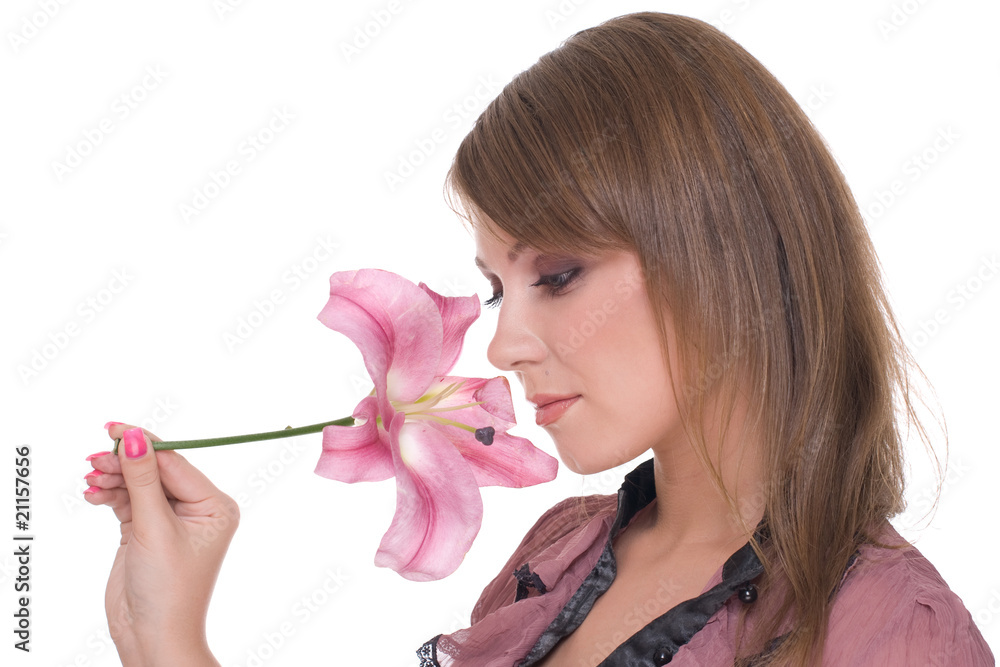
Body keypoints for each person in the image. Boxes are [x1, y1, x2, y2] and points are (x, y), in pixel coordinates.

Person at [85, 12, 994, 666]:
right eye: (494, 290)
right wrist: (163, 637)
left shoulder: (893, 631)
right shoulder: (557, 555)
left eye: (557, 276)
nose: (503, 346)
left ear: (721, 251)